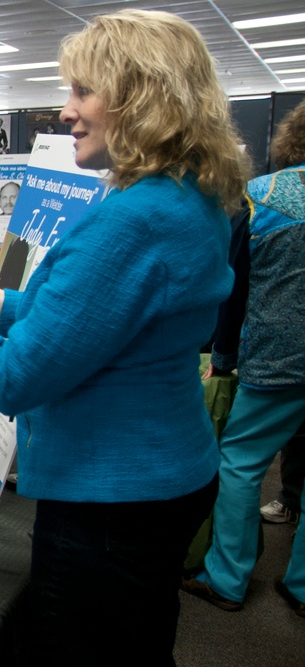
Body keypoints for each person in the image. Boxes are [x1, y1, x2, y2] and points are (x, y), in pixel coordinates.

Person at [0, 10, 248, 662]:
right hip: (165, 476)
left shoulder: (134, 219)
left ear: (140, 96)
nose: (64, 111)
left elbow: (16, 376)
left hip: (111, 503)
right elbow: (108, 323)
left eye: (82, 91)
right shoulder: (189, 198)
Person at [182, 99, 305, 617]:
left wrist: (224, 358)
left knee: (241, 463)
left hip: (278, 359)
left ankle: (228, 579)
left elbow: (233, 290)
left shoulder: (265, 197)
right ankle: (300, 586)